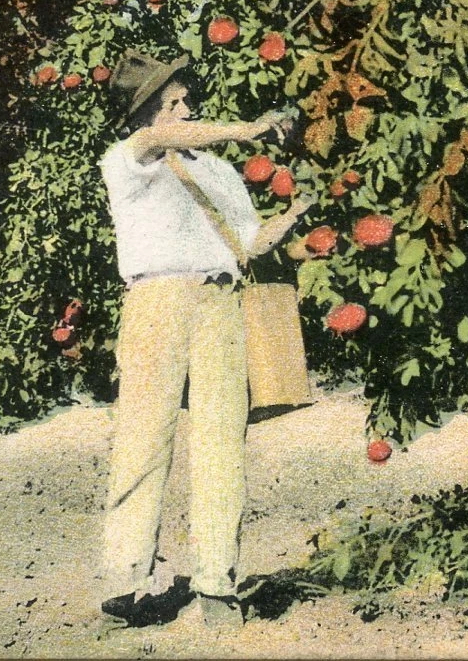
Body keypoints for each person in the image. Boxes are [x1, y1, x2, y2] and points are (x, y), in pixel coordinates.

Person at [98, 52, 311, 630]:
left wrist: (299, 211)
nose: (186, 109)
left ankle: (218, 581)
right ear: (146, 115)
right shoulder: (128, 158)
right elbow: (157, 138)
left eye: (185, 101)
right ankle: (126, 580)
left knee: (221, 439)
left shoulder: (217, 172)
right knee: (145, 437)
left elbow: (252, 242)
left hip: (219, 301)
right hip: (156, 302)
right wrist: (248, 128)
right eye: (173, 103)